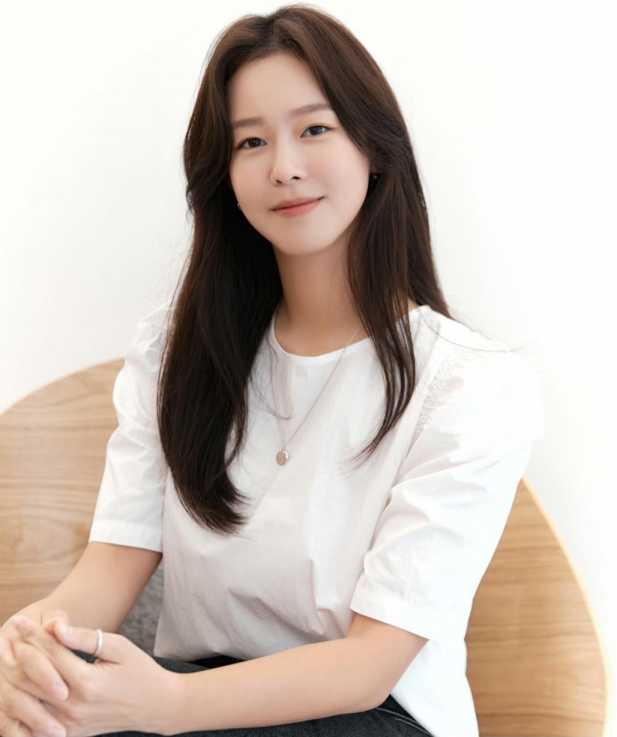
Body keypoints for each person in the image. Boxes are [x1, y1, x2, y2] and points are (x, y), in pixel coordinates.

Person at [0, 5, 544, 737]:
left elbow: (368, 665)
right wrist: (29, 651)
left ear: (373, 145)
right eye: (251, 141)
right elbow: (108, 568)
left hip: (372, 716)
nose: (284, 166)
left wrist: (162, 706)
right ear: (223, 174)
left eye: (314, 129)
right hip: (192, 699)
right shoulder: (175, 351)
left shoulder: (467, 386)